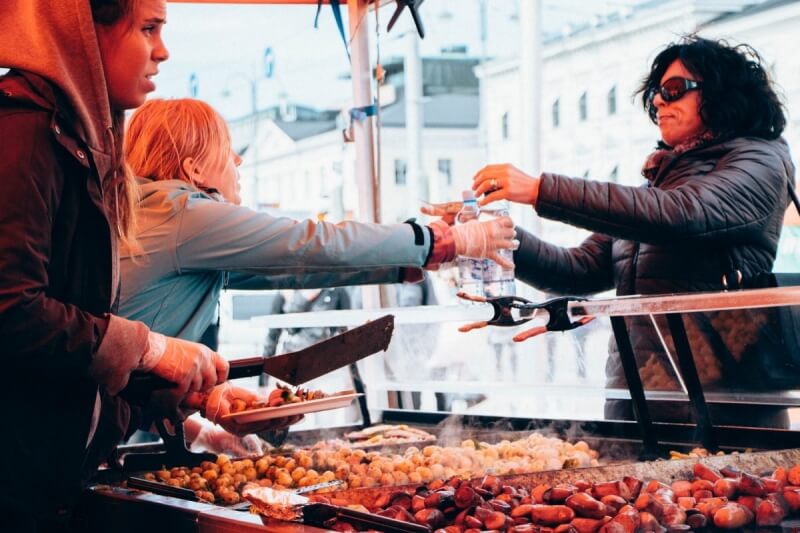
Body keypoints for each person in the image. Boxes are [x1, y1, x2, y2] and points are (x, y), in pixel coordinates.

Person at [0, 2, 272, 529]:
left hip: (51, 488)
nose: (162, 51)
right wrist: (149, 347)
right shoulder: (23, 135)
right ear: (82, 33)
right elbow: (11, 310)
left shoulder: (72, 142)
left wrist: (170, 396)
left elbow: (62, 366)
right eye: (147, 29)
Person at [117, 97, 515, 449]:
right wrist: (438, 242)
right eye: (227, 149)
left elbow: (293, 271)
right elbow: (310, 242)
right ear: (195, 169)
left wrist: (409, 261)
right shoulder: (183, 214)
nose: (238, 161)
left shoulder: (158, 220)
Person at [469, 36, 794, 427]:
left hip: (719, 409)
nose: (658, 101)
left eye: (674, 90)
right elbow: (580, 268)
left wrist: (541, 189)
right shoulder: (663, 182)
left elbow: (683, 214)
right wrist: (499, 237)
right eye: (657, 92)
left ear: (725, 94)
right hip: (643, 401)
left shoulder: (761, 158)